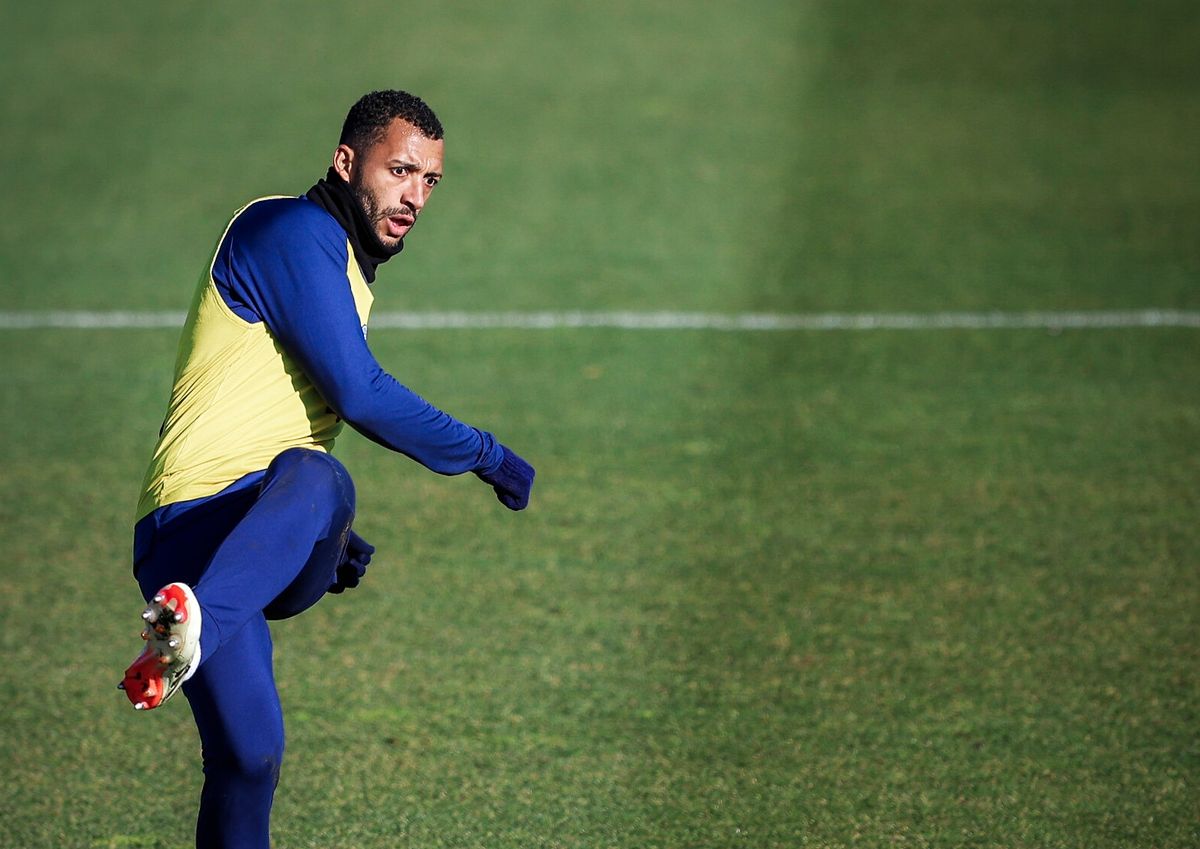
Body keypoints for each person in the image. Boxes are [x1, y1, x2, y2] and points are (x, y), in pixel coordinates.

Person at [120, 90, 534, 848]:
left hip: (234, 554)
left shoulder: (345, 267)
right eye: (400, 169)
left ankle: (188, 628)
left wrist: (329, 537)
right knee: (320, 482)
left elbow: (286, 414)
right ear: (347, 163)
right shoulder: (289, 228)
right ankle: (194, 624)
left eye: (431, 180)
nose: (415, 195)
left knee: (253, 754)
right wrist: (485, 451)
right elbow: (357, 390)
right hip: (192, 527)